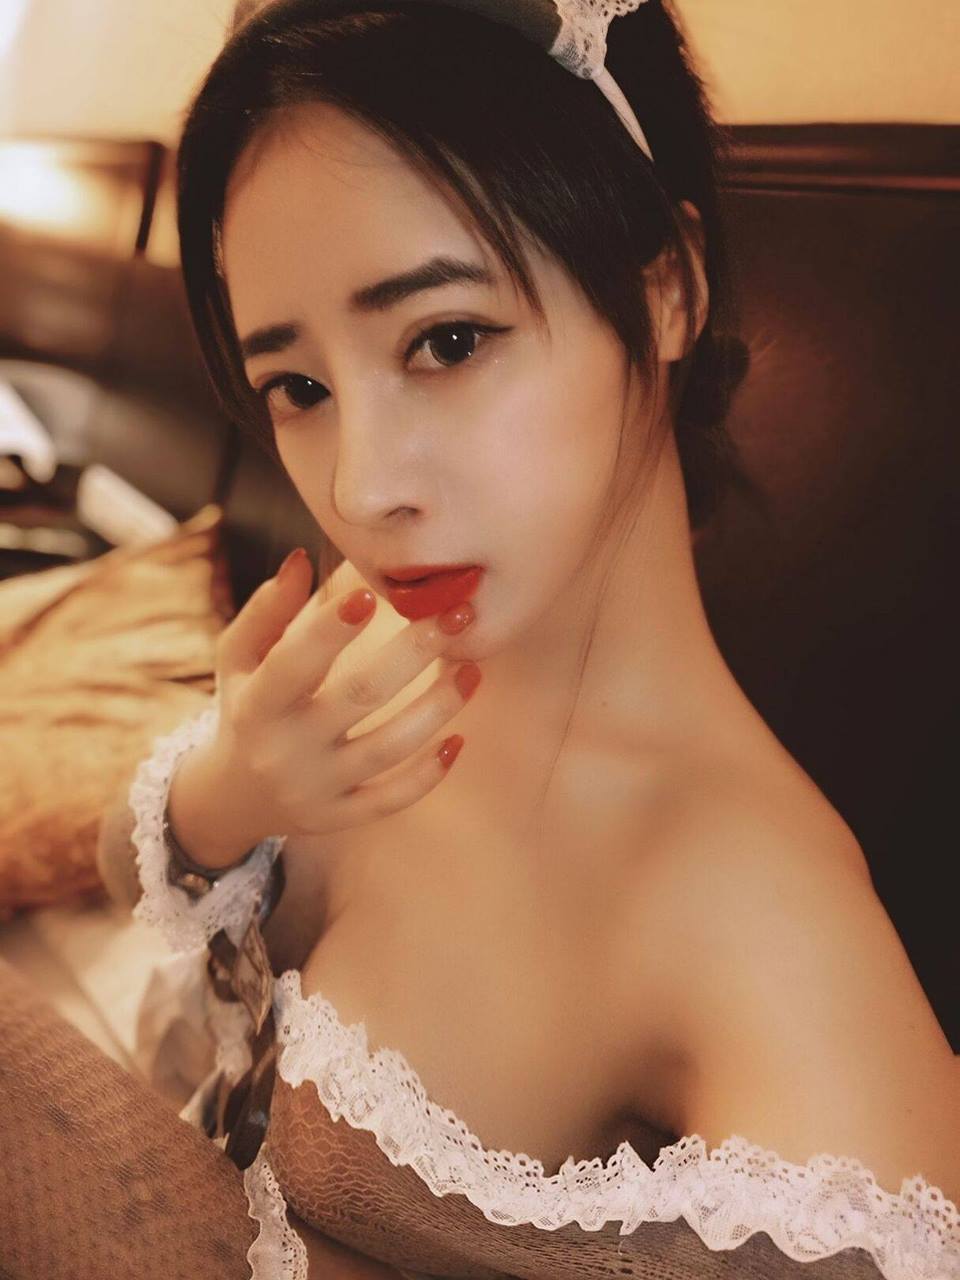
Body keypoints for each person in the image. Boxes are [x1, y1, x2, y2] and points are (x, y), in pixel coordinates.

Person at [25, 0, 959, 1277]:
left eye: (447, 340)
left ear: (668, 290)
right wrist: (228, 785)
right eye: (299, 386)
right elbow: (127, 868)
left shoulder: (764, 928)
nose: (360, 487)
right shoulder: (376, 645)